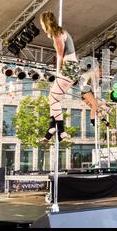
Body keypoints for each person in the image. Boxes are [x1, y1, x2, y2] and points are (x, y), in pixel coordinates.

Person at [40, 11, 80, 144]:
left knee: (53, 99)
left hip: (68, 68)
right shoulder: (62, 32)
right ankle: (52, 128)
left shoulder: (57, 35)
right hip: (72, 68)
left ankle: (61, 131)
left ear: (44, 23)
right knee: (54, 99)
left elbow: (60, 56)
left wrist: (58, 73)